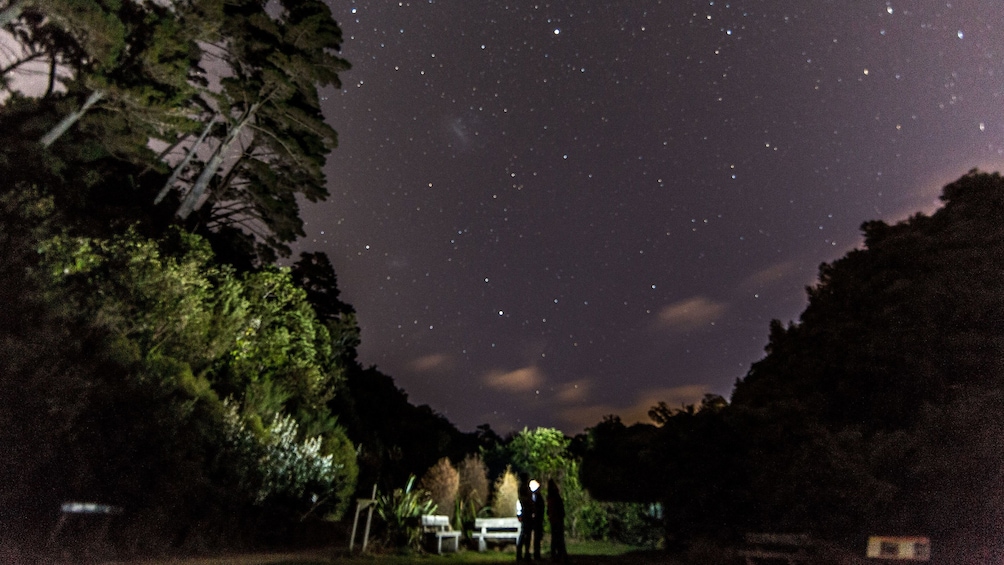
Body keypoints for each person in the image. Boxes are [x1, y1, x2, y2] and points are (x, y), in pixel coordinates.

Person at [546, 479, 568, 562]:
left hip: (553, 519)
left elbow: (549, 510)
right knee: (559, 538)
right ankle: (560, 555)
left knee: (555, 538)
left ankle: (555, 555)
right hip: (557, 519)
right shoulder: (555, 496)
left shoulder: (550, 496)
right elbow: (559, 508)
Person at [516, 473, 534, 561]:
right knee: (525, 534)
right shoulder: (524, 488)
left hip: (526, 512)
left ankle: (524, 552)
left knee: (525, 534)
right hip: (527, 512)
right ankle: (523, 553)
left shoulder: (523, 488)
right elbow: (525, 499)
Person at [530, 479, 545, 560]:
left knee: (537, 537)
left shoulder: (535, 497)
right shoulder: (536, 497)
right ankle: (536, 554)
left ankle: (537, 553)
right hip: (537, 519)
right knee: (537, 537)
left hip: (538, 519)